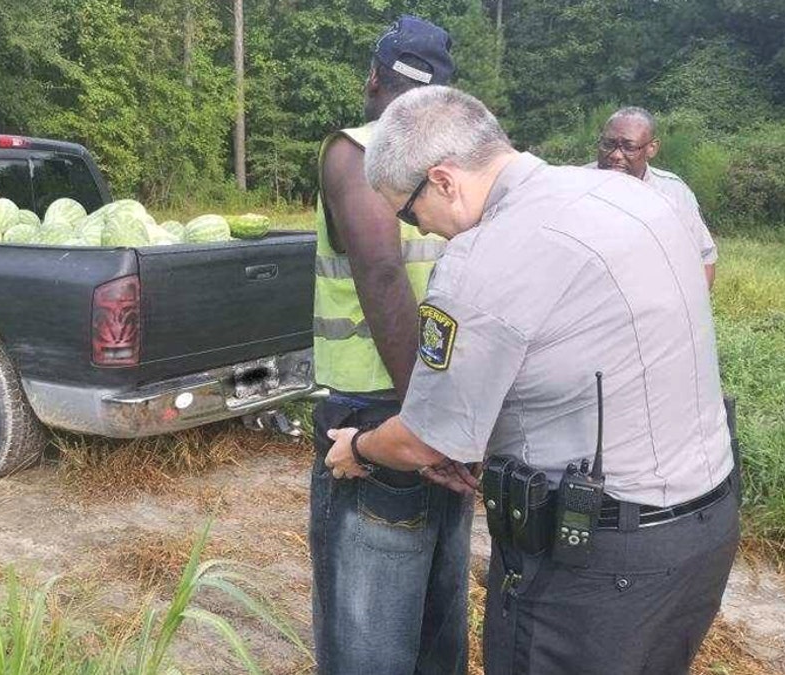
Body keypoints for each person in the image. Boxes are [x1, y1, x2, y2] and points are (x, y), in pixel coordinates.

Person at [327, 86, 739, 675]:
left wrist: (358, 448)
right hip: (705, 530)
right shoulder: (631, 198)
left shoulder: (481, 260)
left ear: (443, 180)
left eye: (407, 210)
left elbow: (425, 440)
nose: (420, 227)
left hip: (595, 567)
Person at [308, 16, 473, 675]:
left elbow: (378, 271)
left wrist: (421, 421)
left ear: (373, 78)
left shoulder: (358, 151)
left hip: (378, 419)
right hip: (447, 409)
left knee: (365, 636)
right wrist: (449, 420)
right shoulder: (456, 170)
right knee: (438, 618)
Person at [592, 106, 718, 289]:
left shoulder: (673, 192)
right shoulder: (574, 185)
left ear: (652, 148)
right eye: (608, 144)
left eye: (629, 147)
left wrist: (692, 312)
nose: (616, 155)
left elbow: (704, 256)